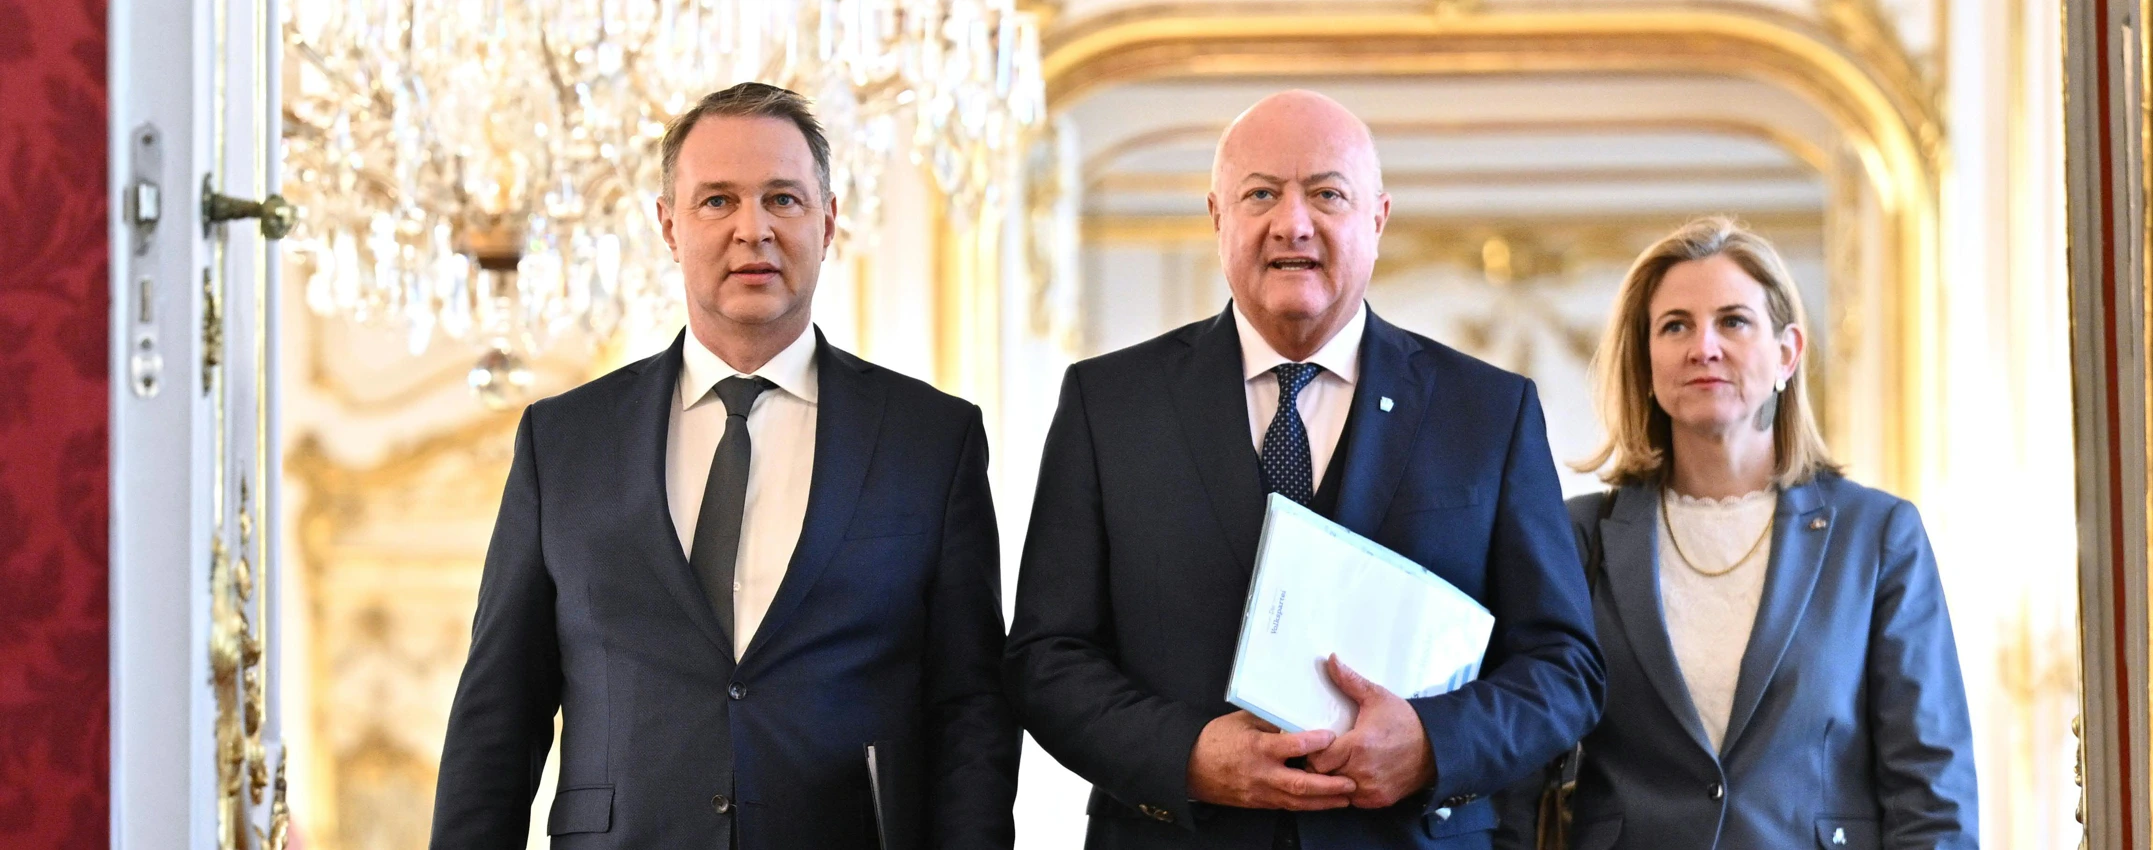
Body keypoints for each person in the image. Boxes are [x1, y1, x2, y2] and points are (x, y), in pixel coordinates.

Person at [1004, 89, 1604, 849]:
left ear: (1377, 218)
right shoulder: (1109, 403)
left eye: (1327, 194)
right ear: (1217, 217)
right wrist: (1188, 755)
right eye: (1261, 194)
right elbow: (1047, 659)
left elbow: (1564, 668)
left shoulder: (1488, 411)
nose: (1293, 223)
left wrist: (1432, 744)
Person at [430, 82, 1017, 849]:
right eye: (717, 201)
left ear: (827, 223)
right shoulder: (564, 440)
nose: (753, 229)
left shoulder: (930, 439)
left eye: (783, 199)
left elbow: (972, 709)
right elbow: (497, 712)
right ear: (668, 226)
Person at [1497, 216, 1976, 850]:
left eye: (1733, 321)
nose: (1704, 347)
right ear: (1645, 360)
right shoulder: (1578, 536)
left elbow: (1931, 790)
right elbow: (1516, 768)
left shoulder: (1878, 536)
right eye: (1675, 326)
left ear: (1787, 352)